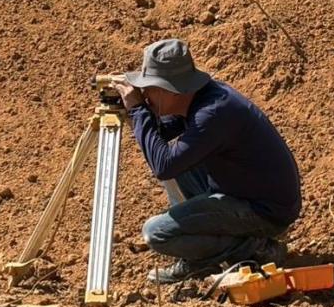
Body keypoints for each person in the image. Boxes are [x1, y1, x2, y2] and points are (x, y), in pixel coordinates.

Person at [112, 38, 302, 285]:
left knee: (155, 233)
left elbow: (163, 166)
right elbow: (164, 138)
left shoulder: (213, 113)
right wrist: (138, 113)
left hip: (265, 211)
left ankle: (253, 248)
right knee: (180, 159)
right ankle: (219, 245)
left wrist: (138, 111)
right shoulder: (200, 98)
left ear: (170, 89)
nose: (145, 95)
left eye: (149, 89)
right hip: (246, 191)